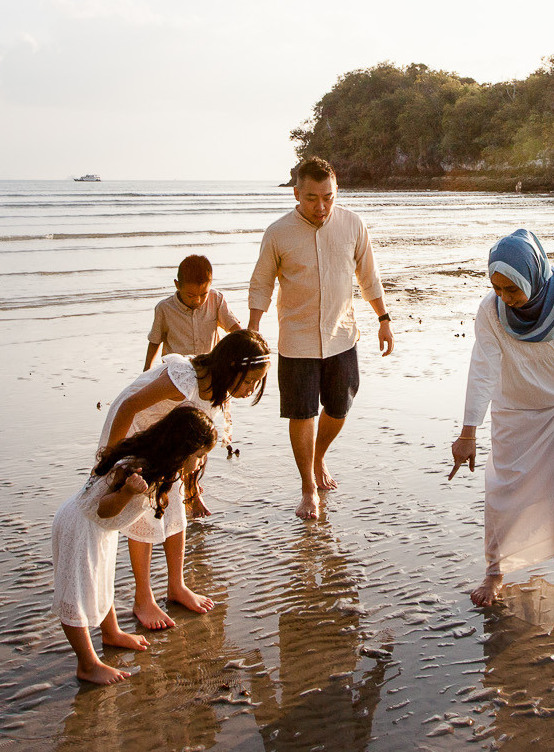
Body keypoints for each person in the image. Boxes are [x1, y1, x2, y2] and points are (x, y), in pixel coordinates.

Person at [448, 229, 554, 617]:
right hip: (515, 413)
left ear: (532, 274)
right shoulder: (491, 310)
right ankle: (495, 571)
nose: (504, 297)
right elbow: (483, 369)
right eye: (497, 287)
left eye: (511, 289)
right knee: (502, 493)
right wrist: (468, 430)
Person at [248, 158, 393, 520]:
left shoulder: (352, 224)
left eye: (328, 197)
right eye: (312, 198)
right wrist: (252, 331)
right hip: (296, 340)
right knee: (302, 413)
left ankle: (318, 455)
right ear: (296, 193)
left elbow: (368, 276)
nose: (321, 206)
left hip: (341, 335)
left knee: (339, 407)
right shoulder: (278, 233)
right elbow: (262, 283)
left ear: (336, 192)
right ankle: (307, 488)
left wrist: (384, 319)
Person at [99, 330, 272, 628]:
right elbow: (129, 406)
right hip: (134, 432)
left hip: (168, 440)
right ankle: (143, 598)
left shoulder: (217, 389)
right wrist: (110, 459)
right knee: (145, 512)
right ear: (229, 368)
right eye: (248, 381)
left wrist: (193, 491)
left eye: (257, 382)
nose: (251, 388)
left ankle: (176, 586)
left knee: (174, 505)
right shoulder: (185, 380)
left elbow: (200, 443)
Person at [52, 407, 218, 685]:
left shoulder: (160, 465)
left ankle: (112, 633)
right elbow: (105, 509)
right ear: (182, 448)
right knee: (77, 594)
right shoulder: (137, 470)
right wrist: (128, 491)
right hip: (81, 526)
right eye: (199, 455)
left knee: (102, 581)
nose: (200, 462)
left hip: (98, 529)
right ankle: (88, 664)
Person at [144, 254, 242, 371]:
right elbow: (154, 341)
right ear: (177, 285)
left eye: (203, 295)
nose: (197, 301)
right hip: (176, 373)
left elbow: (235, 329)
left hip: (210, 369)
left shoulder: (216, 299)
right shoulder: (164, 308)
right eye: (191, 295)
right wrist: (146, 371)